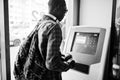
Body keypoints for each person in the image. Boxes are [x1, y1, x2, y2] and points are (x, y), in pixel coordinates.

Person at [37, 0, 75, 80]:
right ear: (58, 8)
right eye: (65, 10)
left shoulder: (41, 23)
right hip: (49, 76)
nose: (65, 14)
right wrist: (68, 65)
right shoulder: (54, 27)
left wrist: (62, 58)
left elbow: (44, 52)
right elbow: (52, 64)